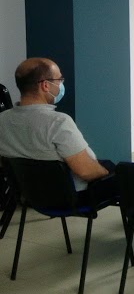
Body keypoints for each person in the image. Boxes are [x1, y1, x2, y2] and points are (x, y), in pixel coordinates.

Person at [0, 58, 116, 203]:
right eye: (59, 79)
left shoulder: (2, 119)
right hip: (71, 198)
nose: (61, 84)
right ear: (45, 85)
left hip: (31, 196)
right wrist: (109, 173)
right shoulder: (58, 122)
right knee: (123, 174)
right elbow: (86, 172)